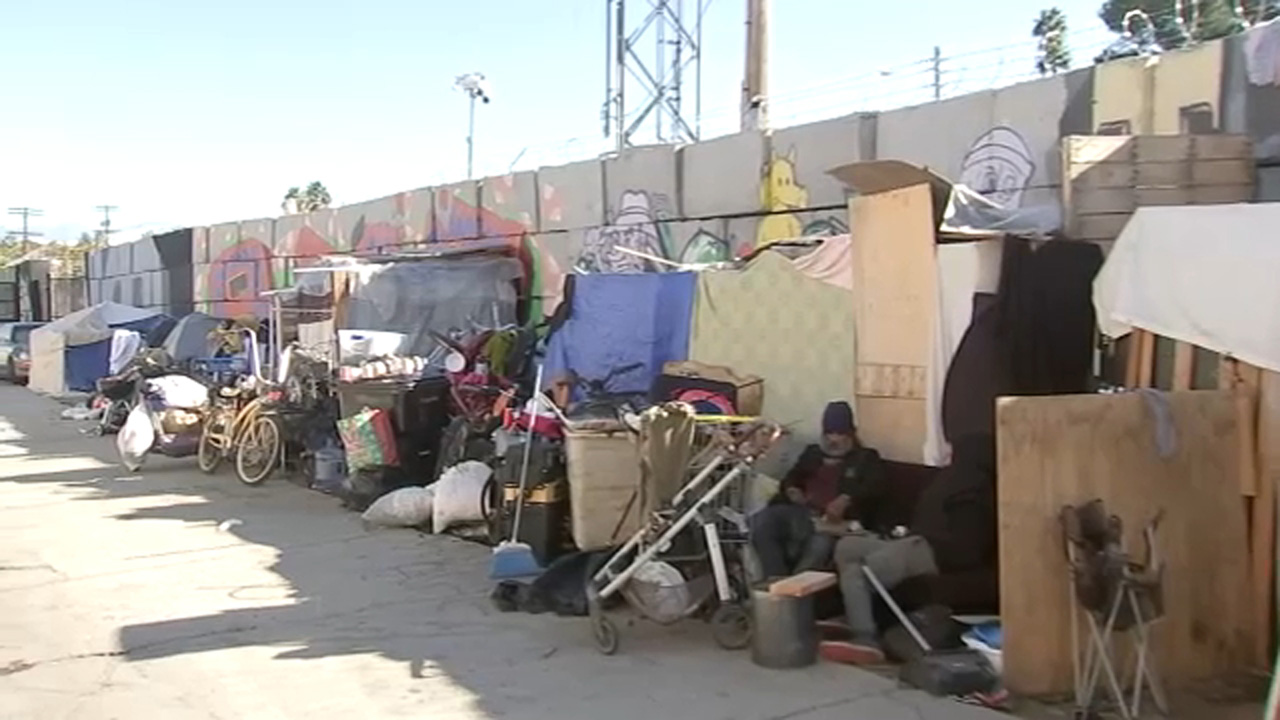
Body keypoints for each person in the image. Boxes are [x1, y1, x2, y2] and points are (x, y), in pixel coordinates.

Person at [821, 434, 998, 665]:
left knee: (859, 573)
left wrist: (922, 542)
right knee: (847, 547)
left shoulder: (976, 489)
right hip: (914, 541)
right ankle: (854, 614)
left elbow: (967, 548)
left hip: (933, 552)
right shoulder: (951, 478)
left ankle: (866, 639)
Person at [749, 401, 888, 580]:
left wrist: (847, 498)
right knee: (761, 521)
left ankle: (794, 592)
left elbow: (876, 486)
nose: (833, 439)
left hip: (833, 524)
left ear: (851, 434)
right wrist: (792, 489)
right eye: (829, 433)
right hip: (801, 513)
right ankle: (775, 580)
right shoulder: (813, 453)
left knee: (820, 544)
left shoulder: (866, 458)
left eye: (839, 434)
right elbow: (790, 478)